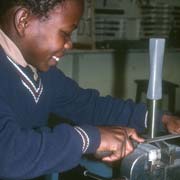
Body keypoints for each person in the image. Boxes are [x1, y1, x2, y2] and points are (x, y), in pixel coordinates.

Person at [0, 0, 180, 179]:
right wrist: (90, 139)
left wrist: (158, 118)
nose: (69, 44)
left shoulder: (45, 74)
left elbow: (90, 106)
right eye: (65, 33)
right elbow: (8, 155)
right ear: (23, 21)